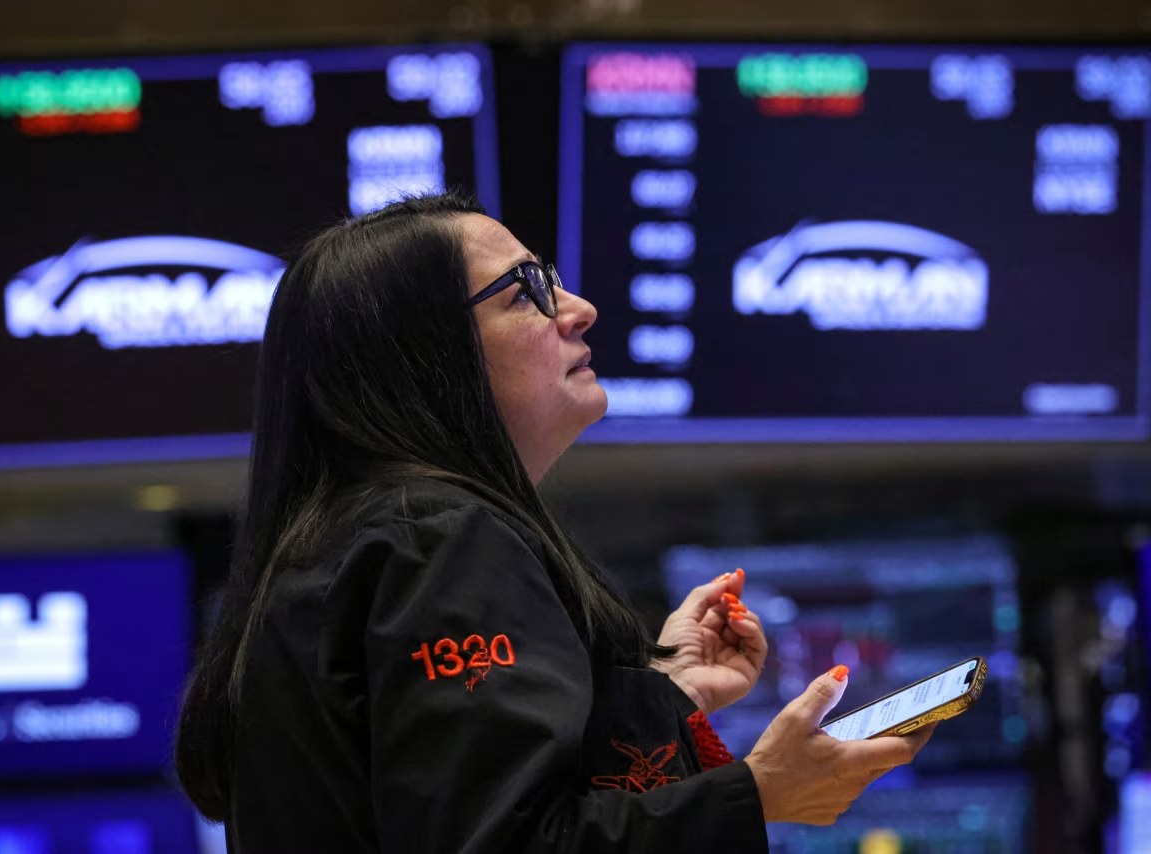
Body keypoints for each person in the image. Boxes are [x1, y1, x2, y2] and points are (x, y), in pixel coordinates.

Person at [175, 191, 934, 852]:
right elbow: (506, 844)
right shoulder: (437, 537)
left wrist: (662, 692)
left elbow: (443, 795)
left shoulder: (361, 536)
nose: (578, 309)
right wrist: (758, 793)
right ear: (425, 354)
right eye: (525, 291)